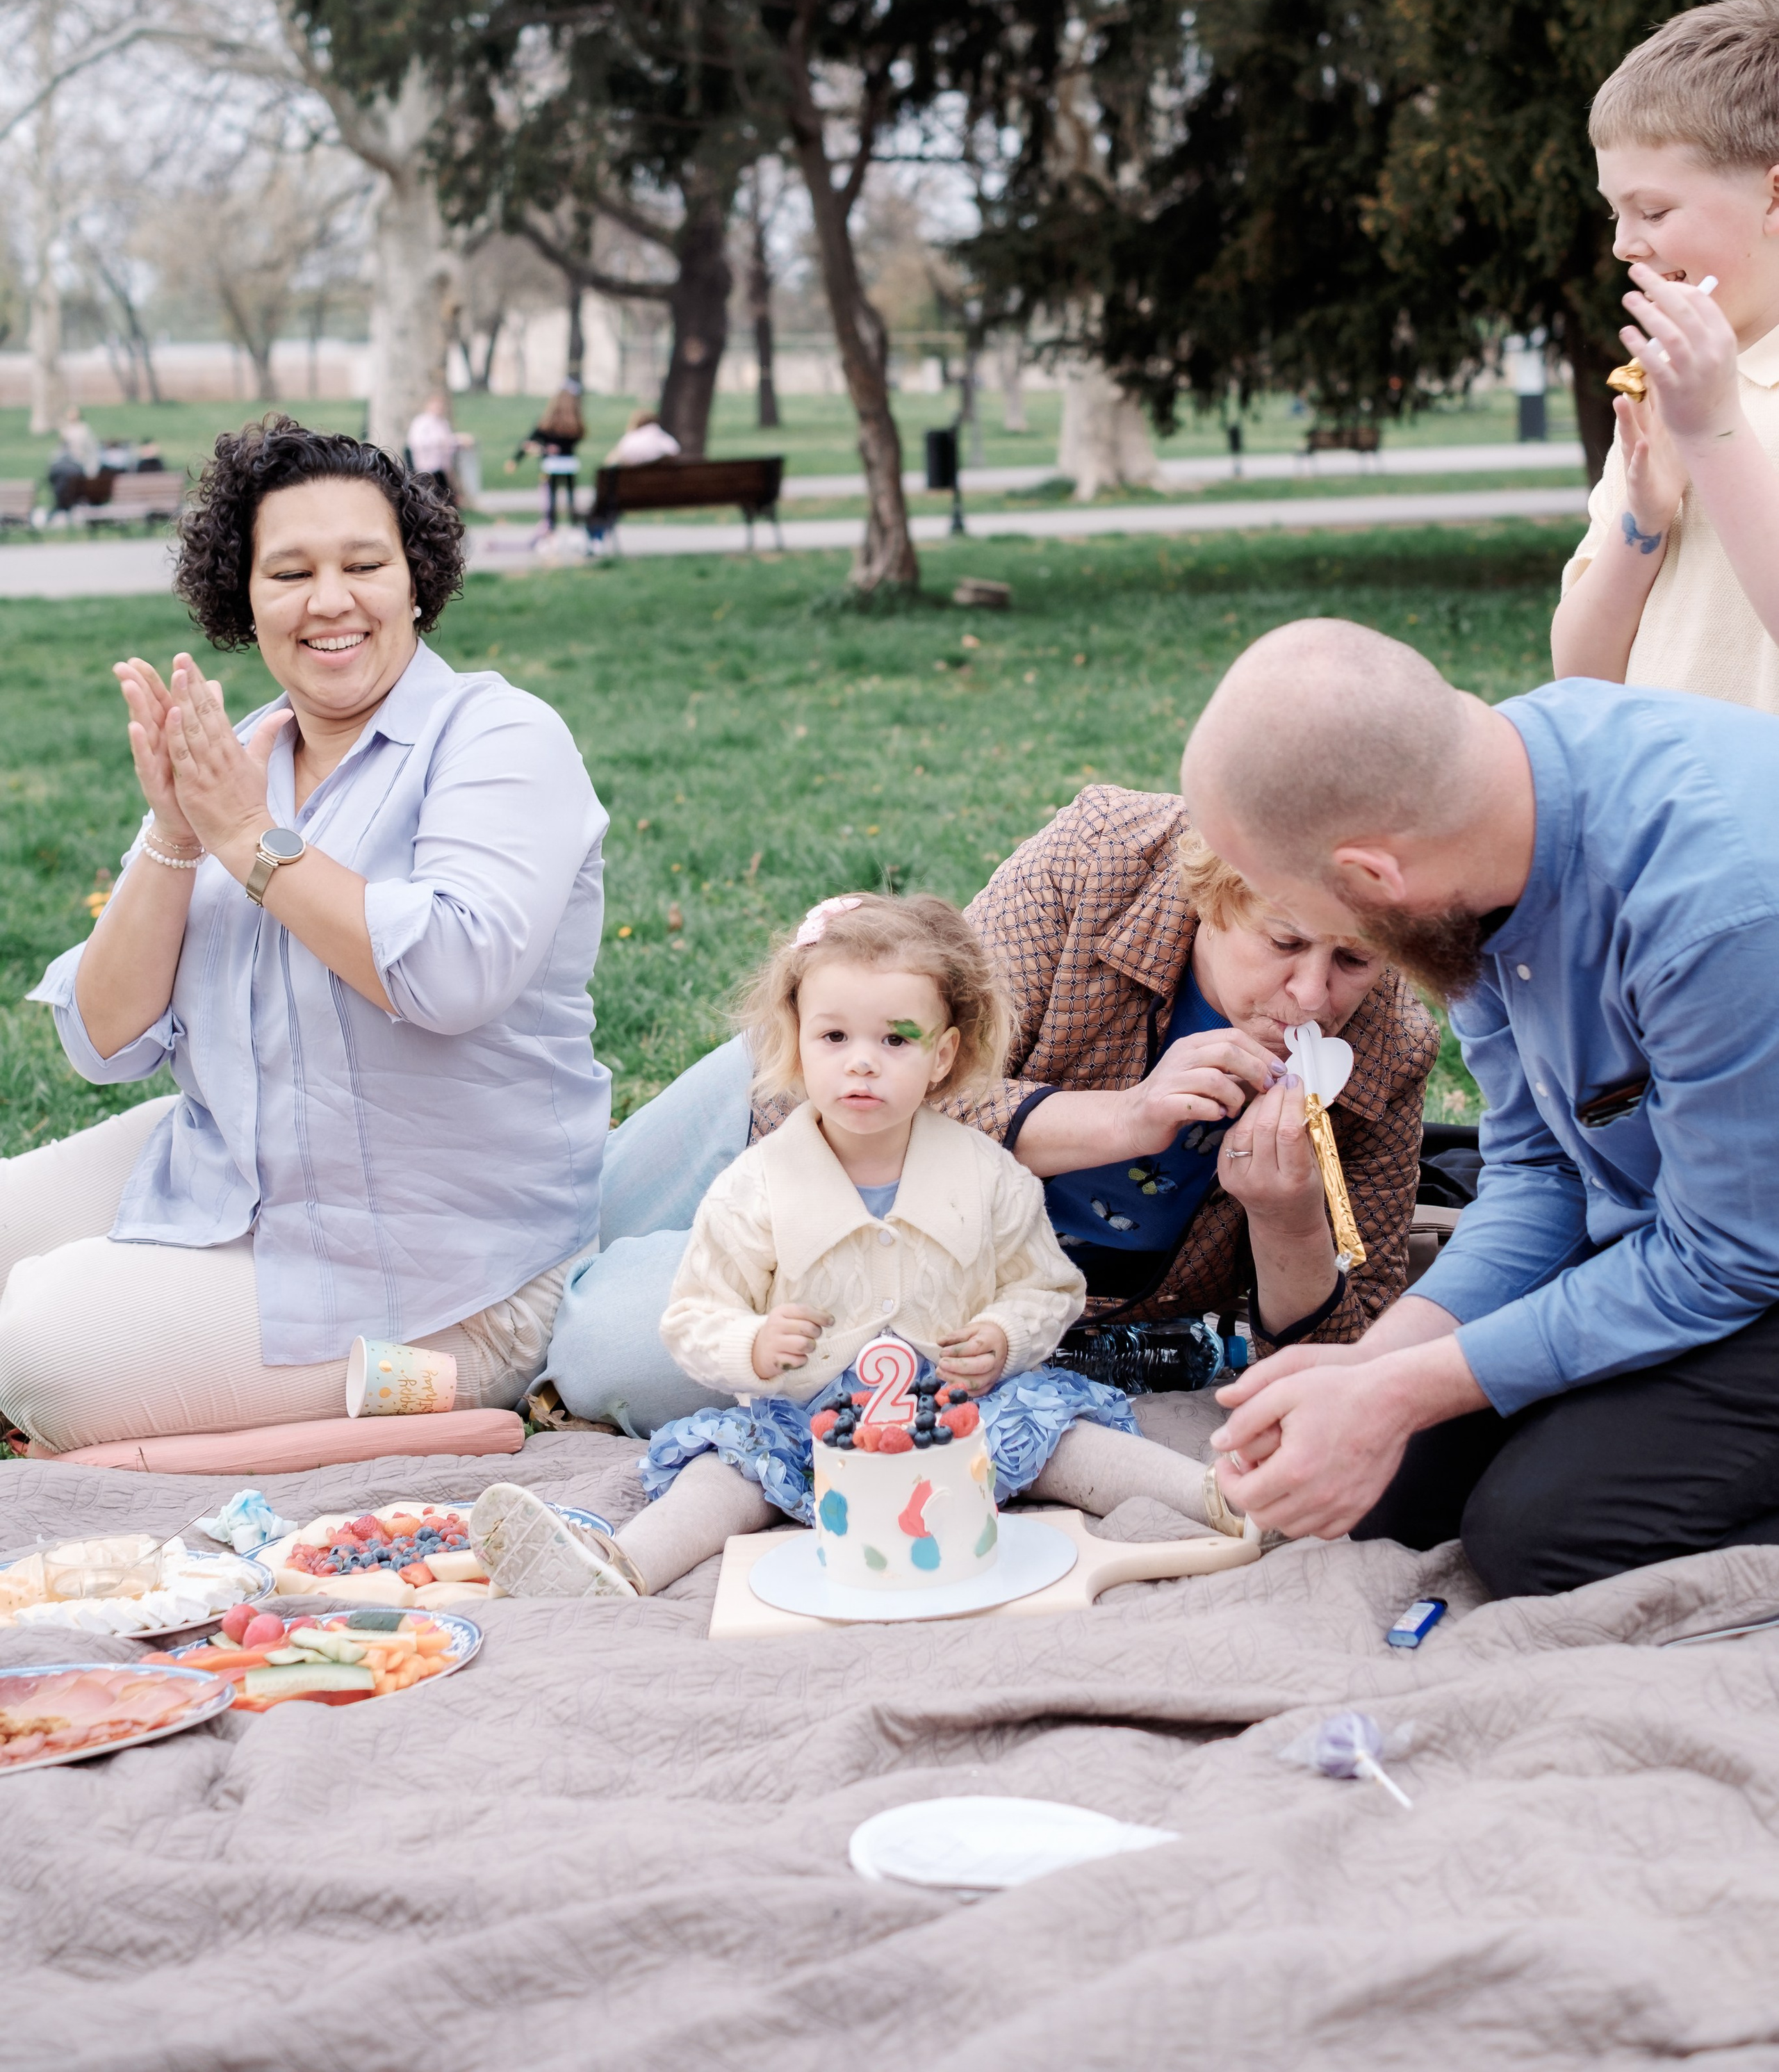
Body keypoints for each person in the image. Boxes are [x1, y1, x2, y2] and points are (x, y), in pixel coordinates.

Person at [0, 414, 609, 1454]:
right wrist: (177, 834)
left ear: (416, 578)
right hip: (245, 1169)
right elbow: (103, 1043)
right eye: (289, 572)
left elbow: (453, 973)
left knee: (38, 1340)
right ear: (245, 595)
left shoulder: (501, 738)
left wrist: (248, 837)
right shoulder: (248, 754)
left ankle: (467, 1390)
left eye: (363, 563)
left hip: (450, 1272)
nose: (329, 600)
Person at [543, 781, 1436, 1433]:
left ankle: (576, 1302)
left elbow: (1347, 1357)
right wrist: (1125, 1118)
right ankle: (547, 1278)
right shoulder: (1103, 860)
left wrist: (1287, 1224)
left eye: (1355, 962)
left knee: (611, 1354)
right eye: (1283, 942)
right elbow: (902, 1053)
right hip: (806, 1108)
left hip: (917, 1282)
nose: (1315, 996)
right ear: (1215, 887)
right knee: (555, 1244)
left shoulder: (1388, 1052)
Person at [1188, 617, 1779, 1597]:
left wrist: (1401, 1391)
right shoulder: (1475, 835)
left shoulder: (1722, 910)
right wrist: (1372, 1369)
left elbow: (1729, 1258)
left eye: (1307, 917)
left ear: (1374, 878)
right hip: (1690, 1236)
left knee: (1540, 1534)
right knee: (1399, 1495)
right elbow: (1541, 1169)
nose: (1311, 982)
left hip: (1742, 1254)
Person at [473, 892, 1240, 1601]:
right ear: (797, 1045)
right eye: (834, 1037)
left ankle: (1221, 1499)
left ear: (942, 1057)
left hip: (963, 1417)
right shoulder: (756, 1186)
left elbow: (1046, 1288)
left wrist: (1005, 1337)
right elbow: (695, 1314)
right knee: (726, 1471)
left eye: (895, 1039)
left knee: (1062, 1434)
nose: (862, 1061)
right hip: (807, 1421)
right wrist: (754, 1345)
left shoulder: (988, 1173)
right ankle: (622, 1564)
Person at [1553, 0, 1779, 711]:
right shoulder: (1663, 390)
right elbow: (1581, 678)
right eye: (1614, 212)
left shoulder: (1696, 406)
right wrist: (1641, 522)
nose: (1624, 243)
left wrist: (1713, 434)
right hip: (1667, 818)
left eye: (1652, 210)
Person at [507, 386, 585, 532]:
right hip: (569, 464)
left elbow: (529, 441)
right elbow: (577, 438)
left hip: (551, 465)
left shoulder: (546, 422)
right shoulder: (575, 423)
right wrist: (562, 448)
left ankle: (551, 527)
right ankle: (575, 526)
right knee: (571, 496)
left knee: (551, 497)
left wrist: (516, 460)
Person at [406, 393, 470, 504]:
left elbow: (448, 445)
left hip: (441, 469)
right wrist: (443, 442)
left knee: (446, 500)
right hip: (425, 468)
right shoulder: (421, 423)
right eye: (436, 405)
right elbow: (417, 443)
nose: (439, 408)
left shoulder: (443, 423)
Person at [605, 406, 681, 469]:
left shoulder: (630, 439)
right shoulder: (666, 439)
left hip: (632, 483)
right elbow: (674, 453)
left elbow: (609, 463)